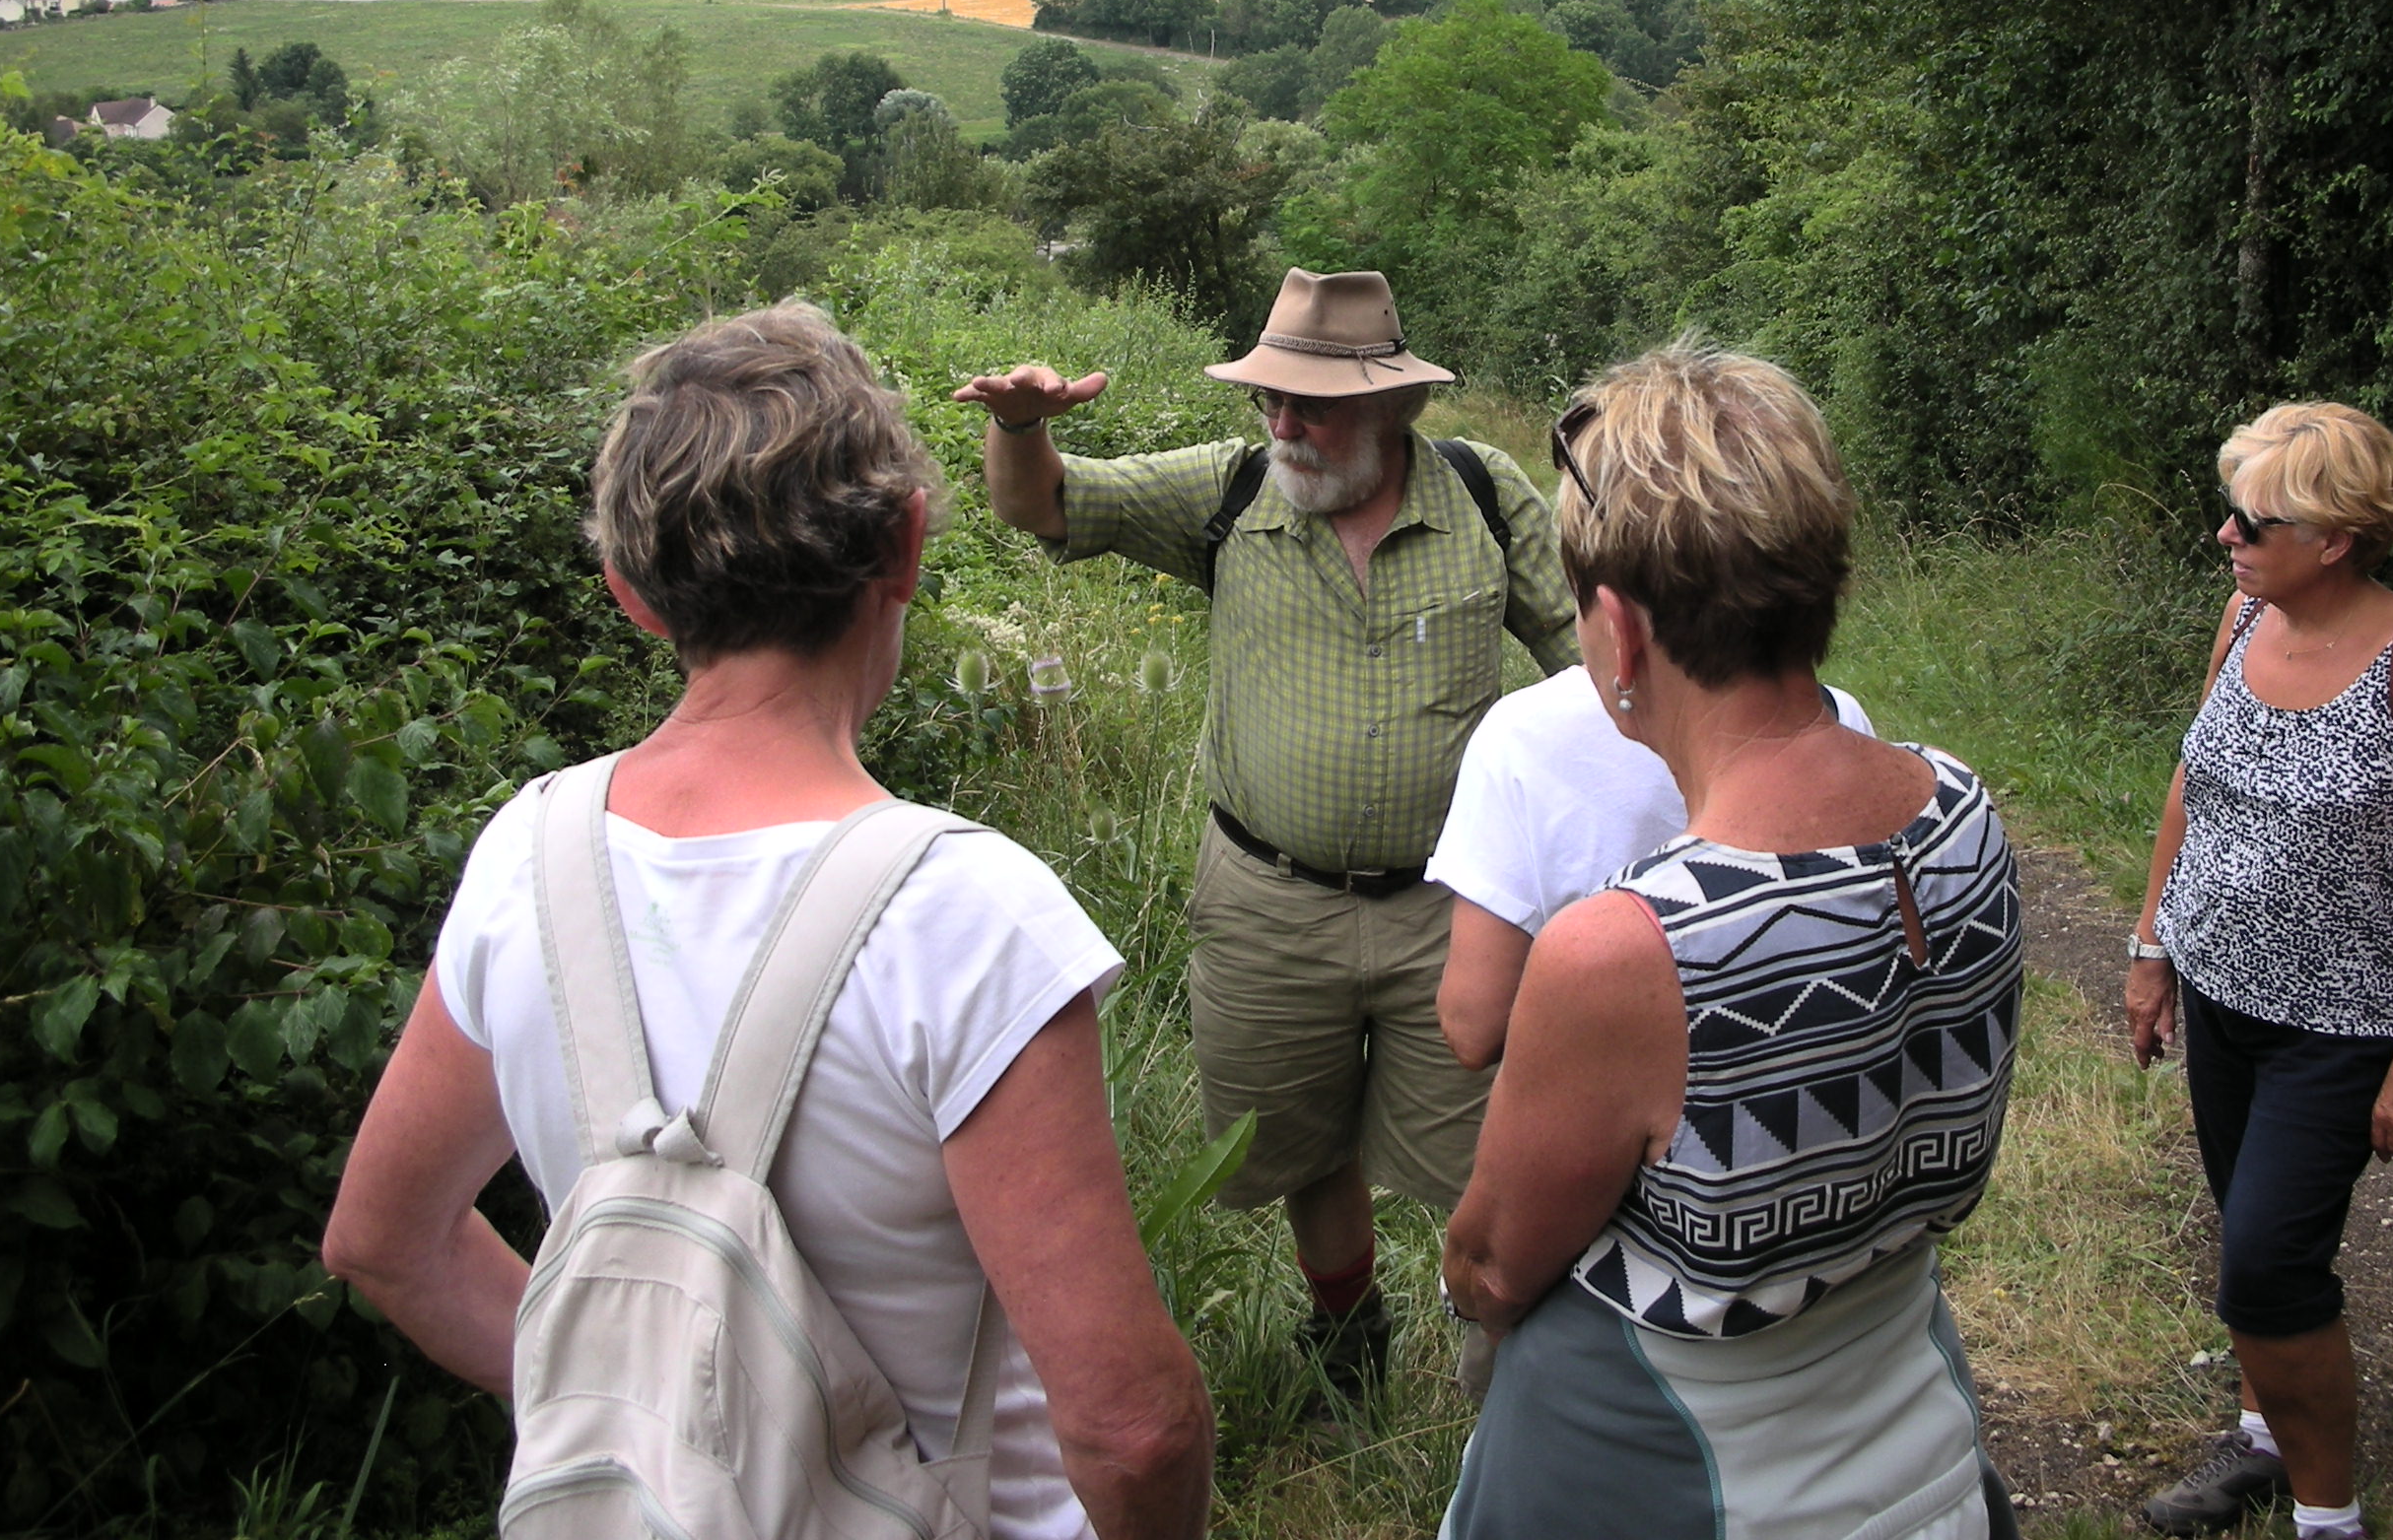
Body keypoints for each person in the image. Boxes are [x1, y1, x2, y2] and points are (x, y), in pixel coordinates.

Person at [324, 303, 1212, 1540]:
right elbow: (1131, 1426)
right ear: (904, 545)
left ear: (632, 594)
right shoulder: (963, 912)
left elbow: (384, 1241)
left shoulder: (523, 855)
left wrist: (656, 1428)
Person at [954, 268, 1577, 1407]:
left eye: (1314, 404)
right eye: (1269, 399)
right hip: (1265, 901)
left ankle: (1503, 1378)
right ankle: (1348, 1340)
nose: (1283, 423)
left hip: (1460, 910)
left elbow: (1590, 663)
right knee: (1299, 1140)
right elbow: (1041, 505)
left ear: (1393, 407)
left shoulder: (1485, 500)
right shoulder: (1230, 492)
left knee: (1483, 1155)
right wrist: (1019, 422)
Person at [1436, 342, 2023, 1540]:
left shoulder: (1627, 950)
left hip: (1672, 1458)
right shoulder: (1965, 810)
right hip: (1913, 1413)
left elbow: (1493, 1268)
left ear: (1618, 630)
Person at [2125, 403, 2393, 1540]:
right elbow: (2195, 779)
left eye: (2254, 517)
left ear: (2336, 537)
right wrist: (2153, 950)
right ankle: (2259, 1445)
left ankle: (2328, 1518)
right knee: (2246, 1225)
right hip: (2221, 994)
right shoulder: (2246, 616)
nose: (2227, 535)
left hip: (2338, 1027)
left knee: (2268, 1273)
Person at [1430, 662, 1878, 1069]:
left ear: (1615, 616)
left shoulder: (1522, 731)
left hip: (1621, 1118)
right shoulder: (1834, 716)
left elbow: (1474, 1024)